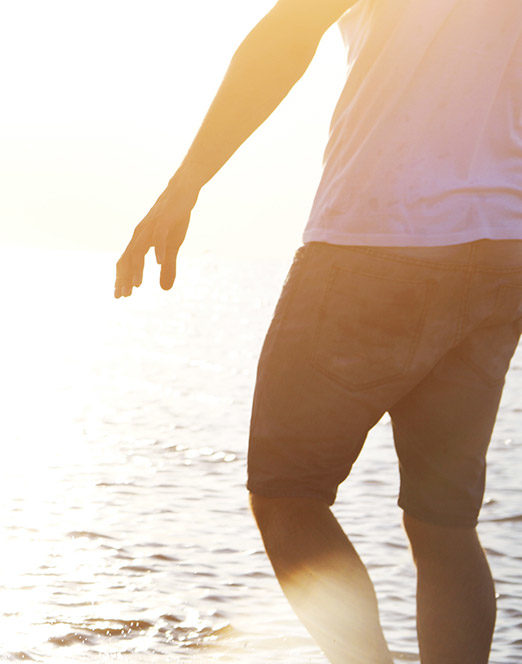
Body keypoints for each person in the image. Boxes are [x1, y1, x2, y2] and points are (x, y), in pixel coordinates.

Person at [113, 1, 522, 662]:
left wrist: (184, 184)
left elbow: (288, 29)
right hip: (499, 250)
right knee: (444, 525)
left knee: (286, 495)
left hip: (376, 235)